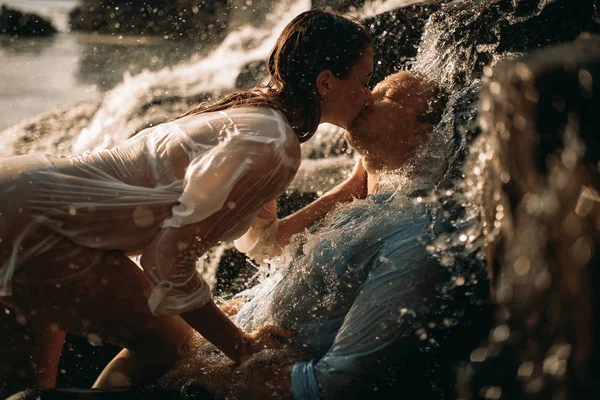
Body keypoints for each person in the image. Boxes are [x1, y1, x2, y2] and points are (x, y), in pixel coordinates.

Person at [0, 9, 375, 397]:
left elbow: (266, 241)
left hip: (21, 197)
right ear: (326, 82)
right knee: (171, 347)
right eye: (364, 80)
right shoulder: (273, 145)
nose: (369, 94)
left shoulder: (260, 120)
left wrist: (354, 184)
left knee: (26, 385)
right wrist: (241, 346)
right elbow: (165, 262)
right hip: (40, 223)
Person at [164, 71, 491, 399]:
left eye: (384, 97)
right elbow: (274, 259)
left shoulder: (416, 236)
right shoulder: (367, 207)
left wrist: (194, 376)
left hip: (231, 374)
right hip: (230, 342)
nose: (366, 99)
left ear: (418, 135)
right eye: (369, 89)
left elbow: (335, 383)